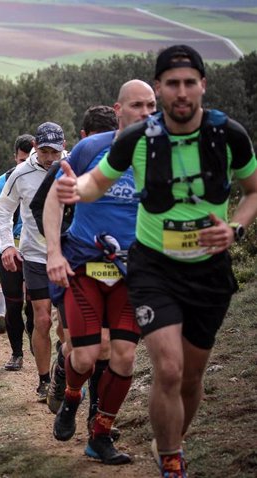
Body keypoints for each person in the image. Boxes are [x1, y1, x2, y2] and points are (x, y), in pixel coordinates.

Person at [55, 45, 257, 478]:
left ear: (202, 85)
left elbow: (254, 190)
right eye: (171, 84)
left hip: (208, 270)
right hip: (151, 268)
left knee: (190, 376)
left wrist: (236, 229)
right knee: (164, 366)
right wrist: (78, 189)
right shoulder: (136, 139)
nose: (180, 92)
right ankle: (170, 464)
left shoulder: (229, 135)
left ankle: (167, 441)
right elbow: (95, 182)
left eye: (189, 82)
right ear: (162, 88)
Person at [45, 81, 156, 465]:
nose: (146, 112)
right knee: (87, 356)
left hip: (132, 271)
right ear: (119, 108)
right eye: (137, 105)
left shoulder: (160, 155)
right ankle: (72, 397)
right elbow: (55, 202)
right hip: (84, 266)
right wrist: (54, 253)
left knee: (123, 357)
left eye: (151, 106)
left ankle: (100, 435)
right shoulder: (92, 148)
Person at [30, 105, 118, 416]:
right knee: (72, 342)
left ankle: (96, 414)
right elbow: (39, 207)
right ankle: (64, 375)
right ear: (82, 139)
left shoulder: (126, 165)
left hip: (114, 264)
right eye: (95, 140)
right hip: (73, 263)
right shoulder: (65, 167)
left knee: (106, 345)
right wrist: (61, 240)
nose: (99, 149)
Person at [0, 122, 67, 401]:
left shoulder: (73, 164)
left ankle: (64, 368)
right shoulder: (20, 174)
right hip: (35, 256)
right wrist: (6, 247)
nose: (51, 157)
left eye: (56, 151)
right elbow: (3, 210)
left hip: (68, 252)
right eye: (45, 151)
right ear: (35, 147)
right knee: (42, 318)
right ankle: (44, 381)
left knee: (67, 326)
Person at [0, 134, 36, 370]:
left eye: (29, 159)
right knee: (13, 304)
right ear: (14, 157)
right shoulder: (2, 182)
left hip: (35, 250)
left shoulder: (45, 177)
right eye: (21, 160)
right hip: (8, 250)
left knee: (35, 308)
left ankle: (37, 344)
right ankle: (16, 353)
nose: (25, 165)